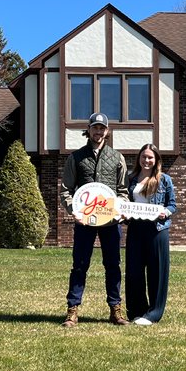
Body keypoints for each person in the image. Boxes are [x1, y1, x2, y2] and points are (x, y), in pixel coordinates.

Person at [60, 112, 129, 327]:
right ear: (88, 130)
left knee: (113, 265)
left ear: (107, 131)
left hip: (110, 222)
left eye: (102, 128)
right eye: (95, 128)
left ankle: (116, 310)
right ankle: (72, 310)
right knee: (80, 265)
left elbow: (123, 190)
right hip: (84, 222)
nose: (98, 132)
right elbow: (66, 190)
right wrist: (74, 210)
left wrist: (120, 208)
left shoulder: (117, 157)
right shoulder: (76, 157)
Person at [125, 143, 177, 326]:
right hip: (136, 230)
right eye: (143, 157)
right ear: (139, 159)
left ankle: (154, 313)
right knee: (134, 272)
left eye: (150, 157)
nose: (146, 160)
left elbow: (172, 204)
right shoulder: (131, 179)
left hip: (157, 230)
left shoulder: (164, 179)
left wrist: (166, 212)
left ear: (156, 160)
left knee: (157, 272)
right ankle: (136, 311)